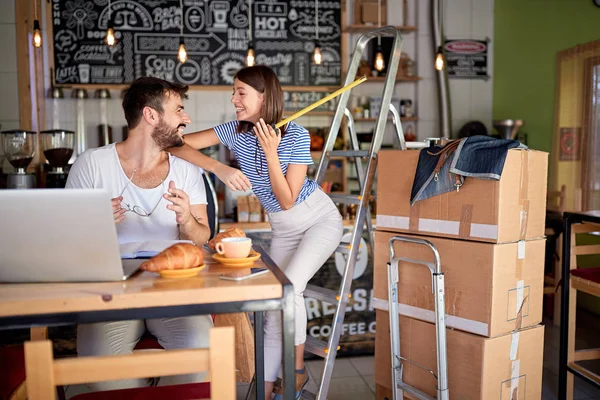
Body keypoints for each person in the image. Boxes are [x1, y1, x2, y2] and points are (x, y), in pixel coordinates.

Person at [169, 65, 344, 399]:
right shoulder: (235, 130)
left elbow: (288, 199)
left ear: (264, 97)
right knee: (271, 310)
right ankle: (263, 392)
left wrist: (270, 153)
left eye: (240, 92)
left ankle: (297, 371)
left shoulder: (295, 135)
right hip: (284, 229)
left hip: (318, 220)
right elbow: (178, 146)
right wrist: (219, 167)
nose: (233, 99)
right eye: (234, 91)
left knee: (289, 291)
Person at [65, 77, 214, 391]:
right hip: (110, 288)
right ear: (151, 116)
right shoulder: (92, 164)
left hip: (174, 284)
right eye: (179, 111)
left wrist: (186, 218)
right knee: (102, 371)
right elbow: (67, 242)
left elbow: (202, 237)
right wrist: (96, 224)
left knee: (202, 350)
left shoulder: (186, 168)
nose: (186, 119)